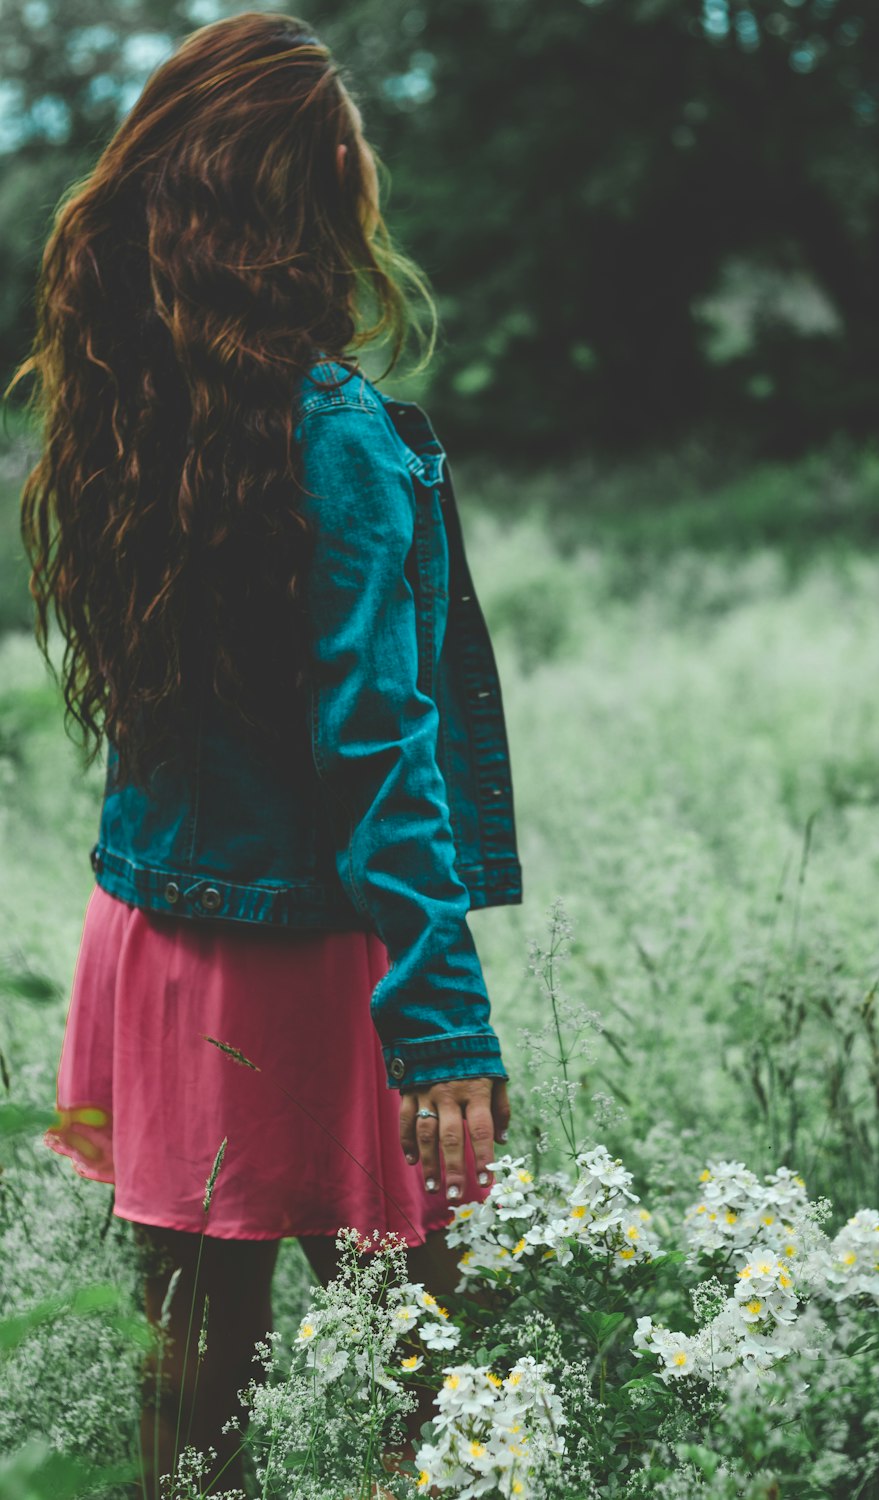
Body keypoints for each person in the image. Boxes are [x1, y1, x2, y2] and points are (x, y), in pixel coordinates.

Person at [8, 11, 521, 1496]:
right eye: (349, 142)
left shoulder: (125, 413)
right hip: (310, 952)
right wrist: (443, 1019)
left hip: (152, 938)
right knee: (437, 1353)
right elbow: (375, 742)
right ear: (313, 187)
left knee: (194, 1370)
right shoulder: (337, 436)